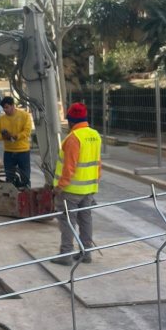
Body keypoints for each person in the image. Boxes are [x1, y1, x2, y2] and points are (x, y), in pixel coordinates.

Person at [51, 102, 102, 266]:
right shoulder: (95, 135)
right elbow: (98, 163)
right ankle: (86, 253)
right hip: (88, 189)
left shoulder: (74, 138)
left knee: (67, 222)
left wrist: (59, 187)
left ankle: (66, 254)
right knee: (85, 220)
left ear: (71, 120)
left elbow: (69, 167)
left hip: (70, 190)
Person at [0, 96, 32, 186]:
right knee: (9, 177)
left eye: (7, 107)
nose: (5, 110)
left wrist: (16, 136)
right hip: (9, 153)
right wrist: (5, 137)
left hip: (23, 151)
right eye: (3, 108)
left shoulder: (24, 116)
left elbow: (27, 131)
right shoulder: (1, 119)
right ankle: (12, 196)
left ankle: (26, 194)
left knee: (25, 177)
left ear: (12, 105)